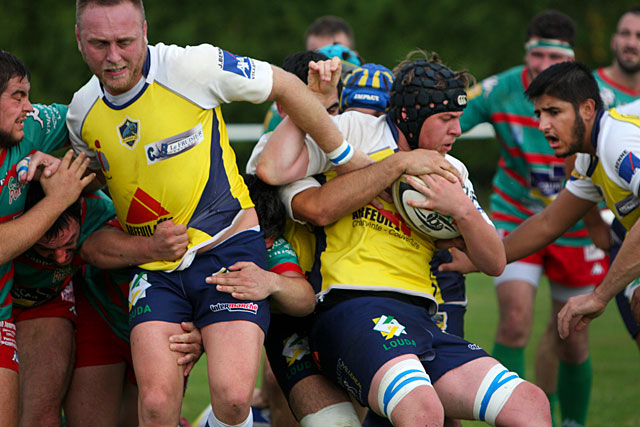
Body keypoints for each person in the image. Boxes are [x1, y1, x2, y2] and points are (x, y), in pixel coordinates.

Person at [67, 1, 367, 426]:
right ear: (80, 40)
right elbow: (101, 174)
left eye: (125, 41)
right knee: (154, 406)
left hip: (228, 251)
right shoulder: (81, 112)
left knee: (232, 402)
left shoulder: (194, 66)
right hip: (157, 268)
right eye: (99, 44)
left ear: (145, 32)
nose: (113, 56)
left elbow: (286, 85)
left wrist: (346, 158)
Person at [257, 51, 551, 427]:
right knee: (421, 410)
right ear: (411, 116)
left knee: (530, 404)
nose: (458, 131)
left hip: (422, 319)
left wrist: (461, 209)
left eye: (458, 120)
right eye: (446, 119)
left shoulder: (453, 170)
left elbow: (494, 262)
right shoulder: (354, 129)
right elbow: (272, 168)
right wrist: (397, 165)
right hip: (352, 307)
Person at [458, 10, 607, 426]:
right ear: (526, 54)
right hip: (515, 213)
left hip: (577, 223)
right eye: (535, 55)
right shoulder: (499, 89)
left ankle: (569, 421)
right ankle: (518, 418)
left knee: (573, 337)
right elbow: (447, 119)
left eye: (553, 56)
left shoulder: (593, 97)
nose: (543, 65)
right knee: (515, 320)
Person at [445, 60, 640, 374]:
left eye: (554, 112)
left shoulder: (616, 144)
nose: (542, 125)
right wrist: (481, 257)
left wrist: (599, 296)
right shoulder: (590, 162)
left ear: (588, 109)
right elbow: (549, 222)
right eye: (538, 114)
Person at [12, 181, 201, 426]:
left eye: (69, 245)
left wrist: (204, 333)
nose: (60, 257)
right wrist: (151, 248)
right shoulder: (12, 211)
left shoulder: (100, 210)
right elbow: (92, 249)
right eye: (47, 249)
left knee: (150, 414)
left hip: (155, 323)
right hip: (96, 311)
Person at [0, 49, 94, 427]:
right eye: (17, 96)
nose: (28, 106)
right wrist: (57, 200)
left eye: (28, 95)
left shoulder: (30, 127)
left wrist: (71, 166)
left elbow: (93, 116)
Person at [593, 7, 640, 350]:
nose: (631, 42)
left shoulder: (614, 136)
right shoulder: (589, 93)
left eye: (639, 36)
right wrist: (593, 223)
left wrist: (598, 296)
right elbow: (552, 219)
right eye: (625, 34)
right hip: (620, 230)